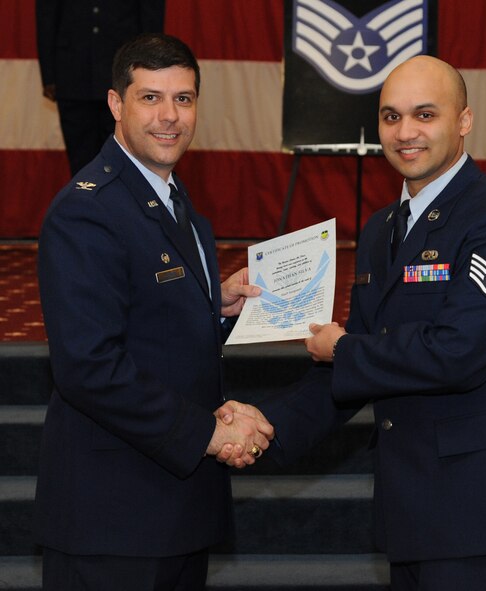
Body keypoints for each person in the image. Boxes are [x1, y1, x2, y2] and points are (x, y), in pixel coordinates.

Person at [222, 55, 486, 590]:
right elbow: (356, 365)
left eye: (425, 114)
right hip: (412, 510)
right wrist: (265, 426)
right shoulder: (381, 229)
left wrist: (344, 349)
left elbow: (457, 353)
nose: (405, 132)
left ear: (464, 121)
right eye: (391, 116)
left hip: (484, 513)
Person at [36, 33, 274, 591]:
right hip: (113, 516)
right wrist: (206, 433)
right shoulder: (87, 211)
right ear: (116, 104)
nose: (170, 116)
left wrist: (214, 308)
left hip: (174, 509)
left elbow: (148, 320)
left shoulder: (173, 199)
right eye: (150, 98)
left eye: (183, 99)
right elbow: (89, 366)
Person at [36, 0, 165, 175]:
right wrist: (49, 76)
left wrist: (149, 73)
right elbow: (46, 17)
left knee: (125, 159)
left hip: (123, 73)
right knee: (81, 161)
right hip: (72, 74)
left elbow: (151, 18)